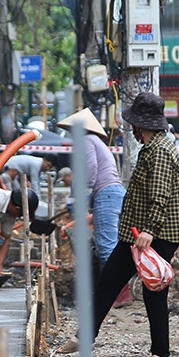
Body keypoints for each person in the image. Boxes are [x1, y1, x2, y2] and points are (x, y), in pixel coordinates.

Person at [90, 92, 179, 357]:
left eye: (134, 126)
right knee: (110, 282)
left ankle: (160, 353)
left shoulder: (161, 152)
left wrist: (149, 230)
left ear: (142, 126)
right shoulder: (151, 149)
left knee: (152, 291)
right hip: (137, 233)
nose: (132, 131)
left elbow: (160, 195)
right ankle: (84, 338)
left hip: (153, 234)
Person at [59, 107, 125, 264]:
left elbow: (91, 169)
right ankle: (119, 287)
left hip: (107, 195)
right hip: (115, 193)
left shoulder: (86, 140)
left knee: (107, 250)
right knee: (116, 247)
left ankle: (111, 288)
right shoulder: (95, 141)